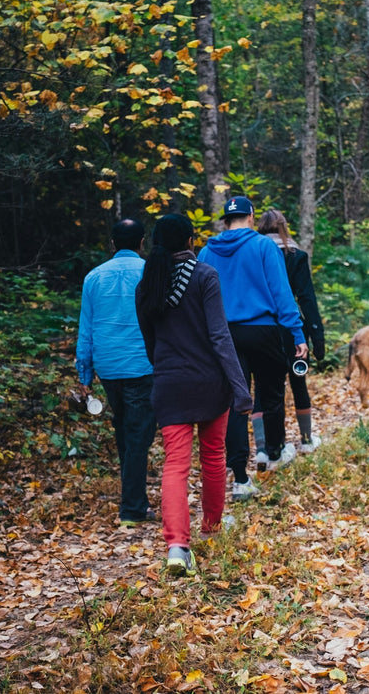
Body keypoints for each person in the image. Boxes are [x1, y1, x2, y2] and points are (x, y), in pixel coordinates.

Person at [136, 214, 253, 577]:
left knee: (175, 465)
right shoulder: (204, 276)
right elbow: (220, 336)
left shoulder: (147, 285)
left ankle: (176, 547)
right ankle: (212, 529)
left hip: (169, 385)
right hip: (208, 384)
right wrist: (240, 387)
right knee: (214, 457)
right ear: (190, 241)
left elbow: (150, 343)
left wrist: (167, 370)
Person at [197, 196, 308, 500]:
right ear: (251, 217)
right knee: (270, 393)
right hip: (263, 330)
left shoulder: (207, 251)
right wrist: (297, 333)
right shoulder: (263, 246)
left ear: (225, 220)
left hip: (224, 334)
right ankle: (272, 454)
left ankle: (240, 477)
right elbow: (281, 292)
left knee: (236, 401)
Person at [76, 219, 157, 528]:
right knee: (138, 434)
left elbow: (86, 329)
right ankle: (133, 507)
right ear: (142, 242)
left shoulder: (93, 278)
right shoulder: (150, 272)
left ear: (112, 244)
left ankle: (134, 497)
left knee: (125, 429)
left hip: (109, 367)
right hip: (142, 365)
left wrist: (84, 374)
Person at [254, 209, 326, 452]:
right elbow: (306, 298)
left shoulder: (253, 254)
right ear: (284, 227)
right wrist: (317, 335)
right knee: (298, 382)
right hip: (293, 329)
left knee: (262, 388)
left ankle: (264, 447)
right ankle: (306, 440)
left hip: (261, 328)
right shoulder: (296, 256)